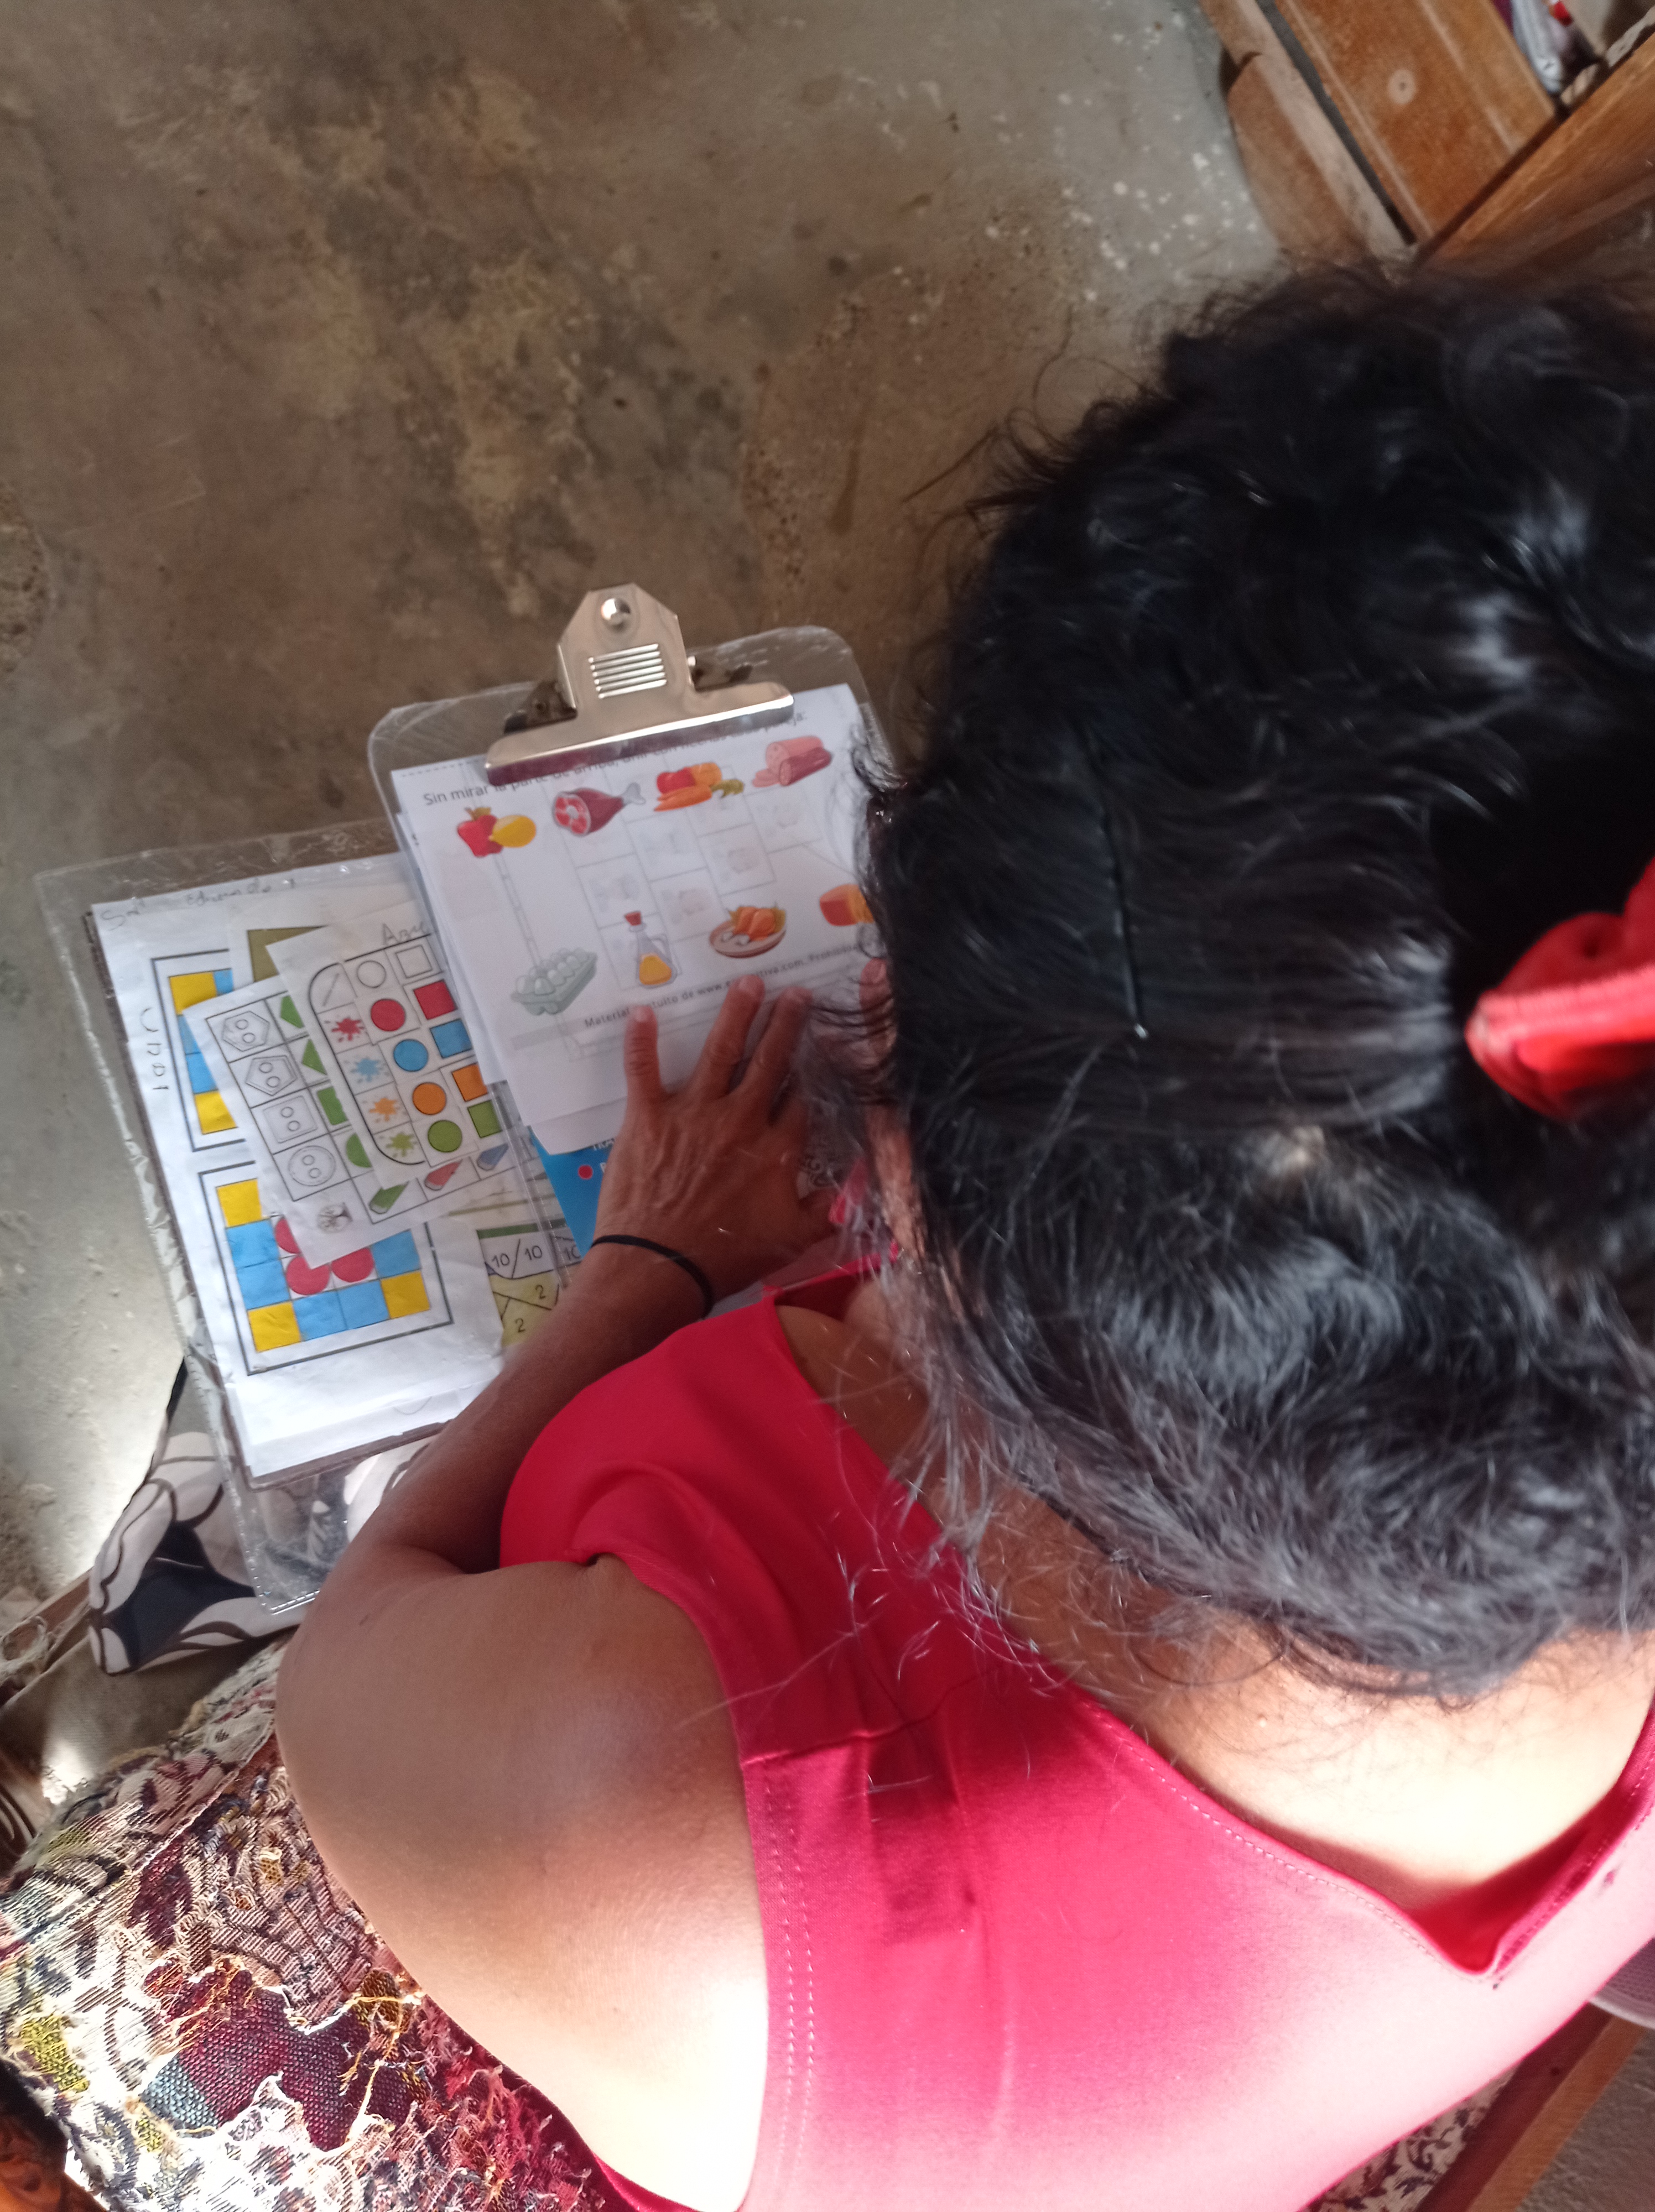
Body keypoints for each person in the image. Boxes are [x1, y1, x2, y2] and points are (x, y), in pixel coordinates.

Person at [11, 267, 1655, 2212]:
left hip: (722, 1990)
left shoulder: (679, 1844)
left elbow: (355, 1661)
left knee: (251, 1536)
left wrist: (648, 1275)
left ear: (943, 1242)